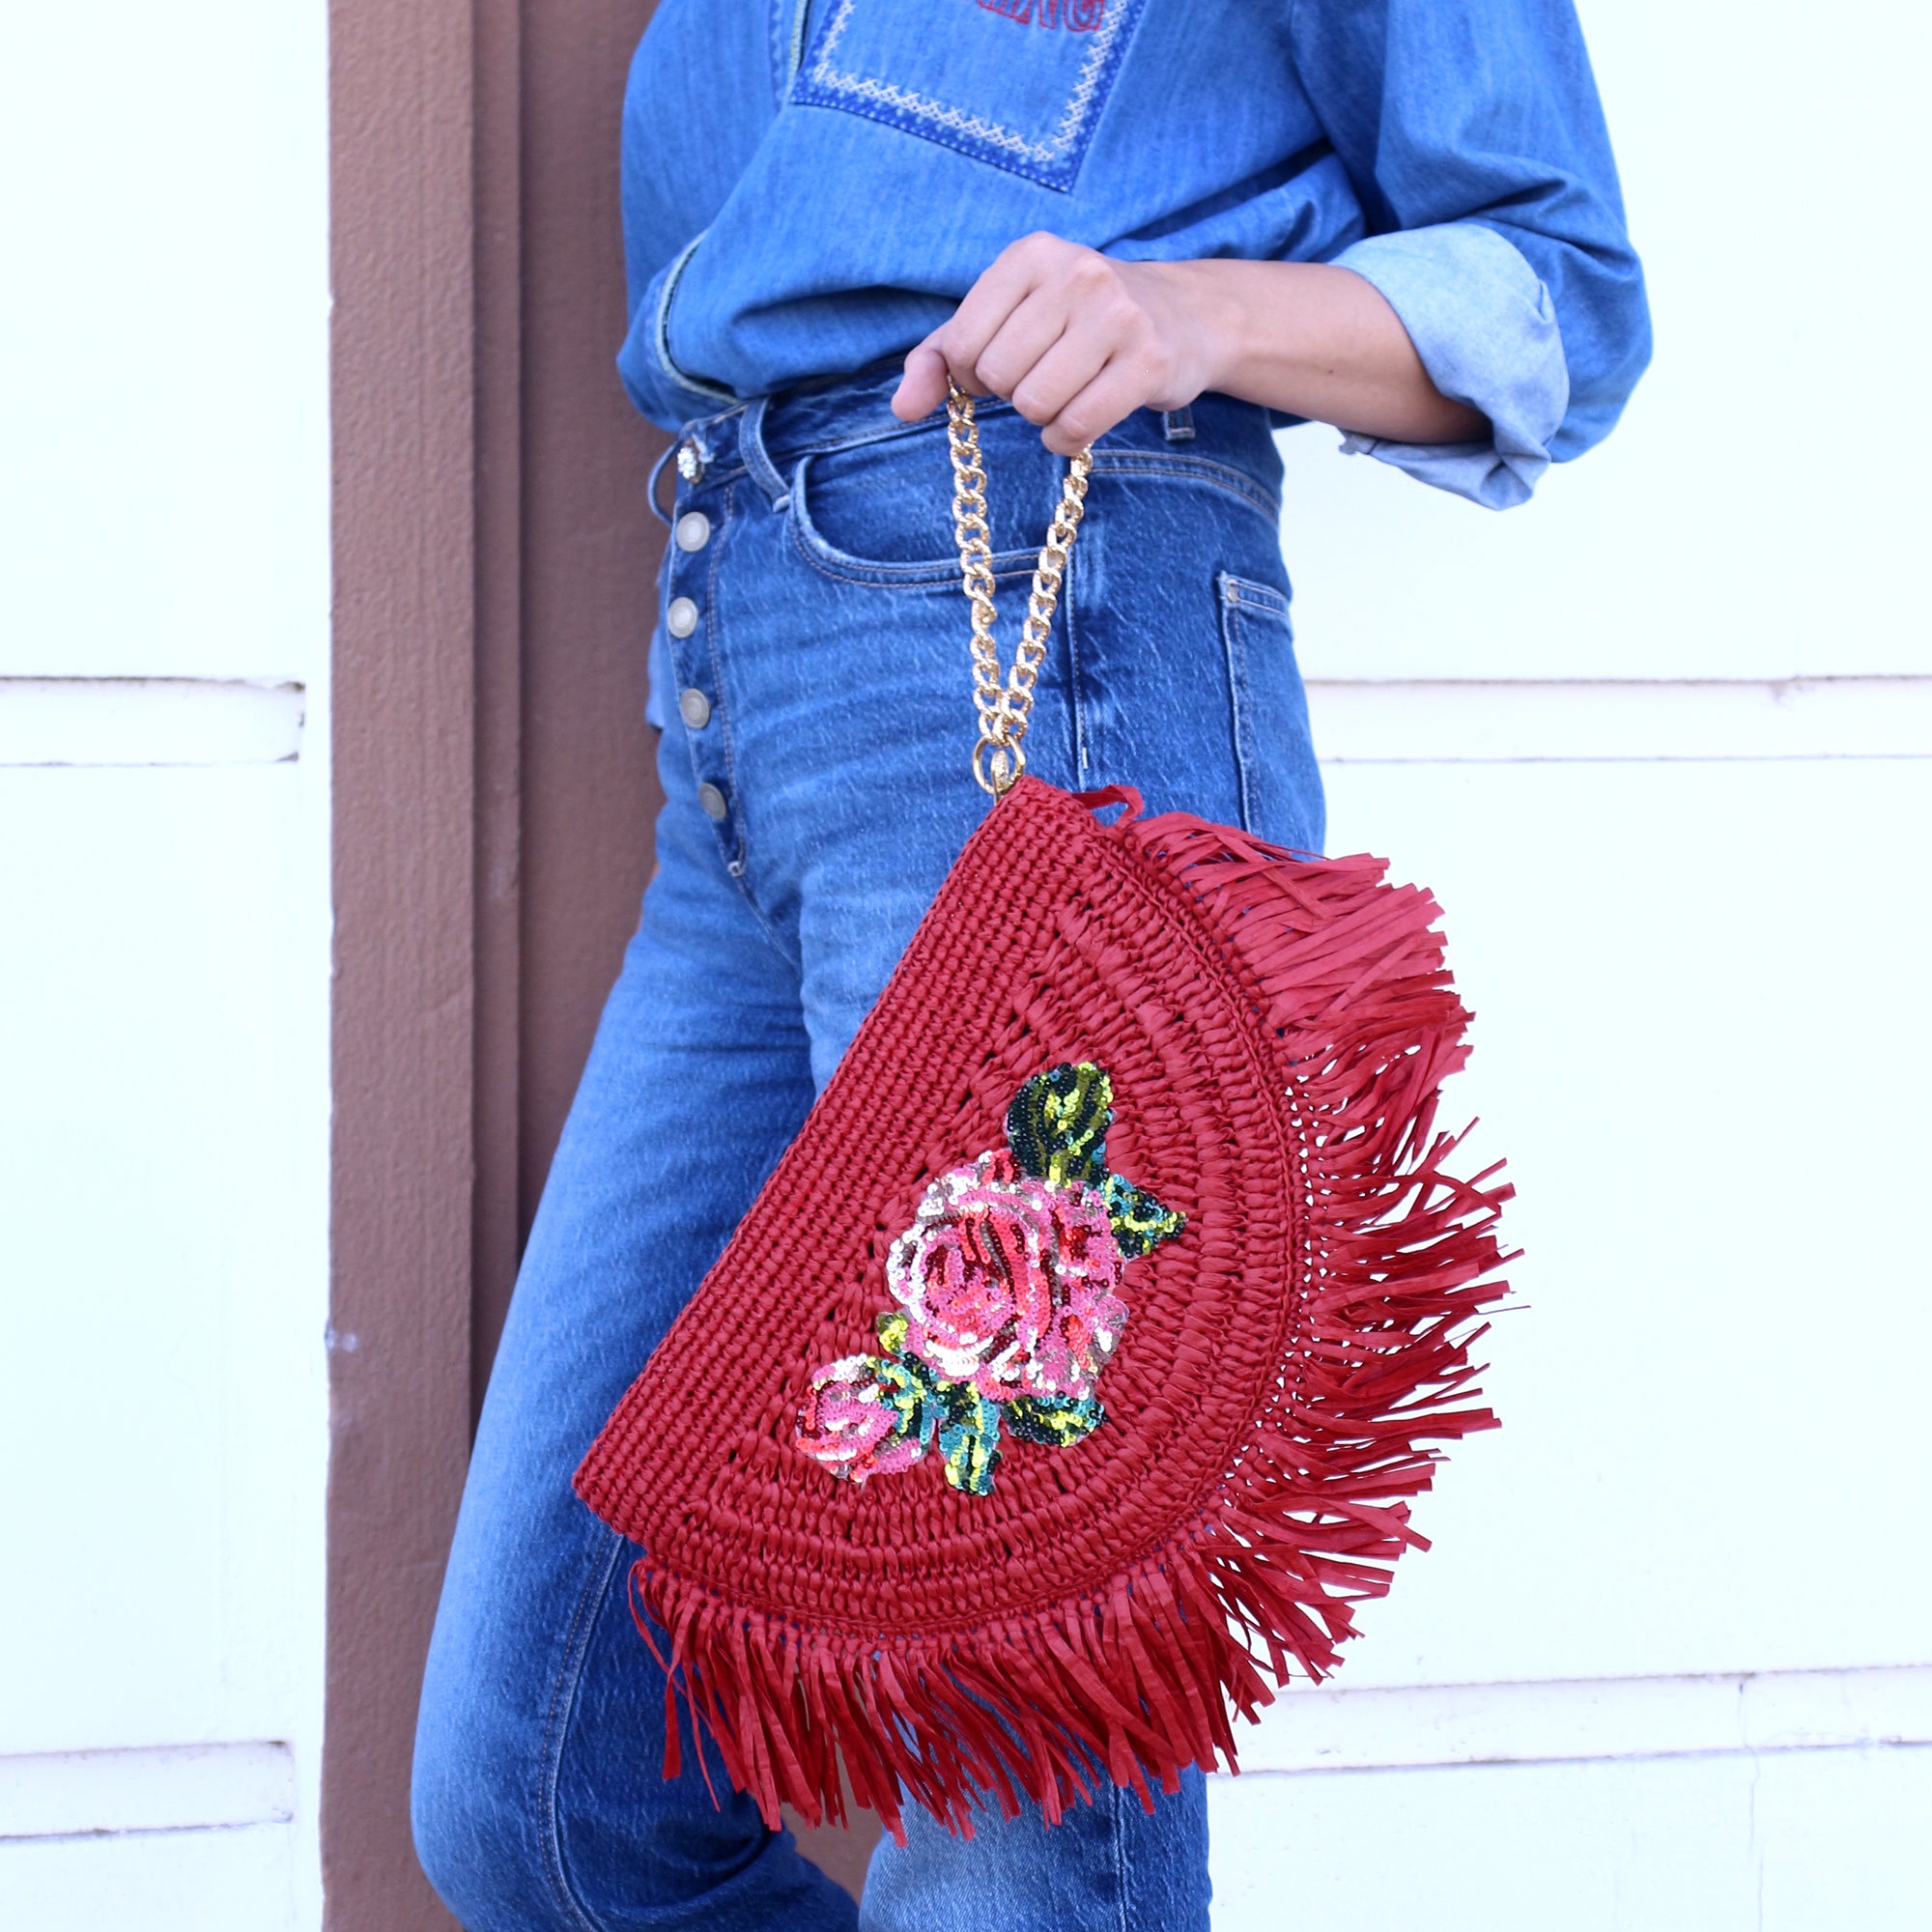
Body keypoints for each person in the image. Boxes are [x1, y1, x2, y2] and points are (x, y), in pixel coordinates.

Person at [411, 2, 1650, 1926]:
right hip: (739, 710)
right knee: (546, 1805)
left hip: (1043, 666)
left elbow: (1561, 293)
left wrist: (1193, 310)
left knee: (1010, 1821)